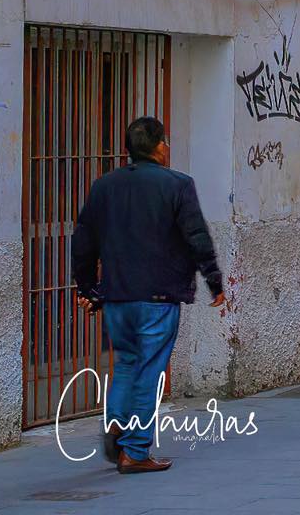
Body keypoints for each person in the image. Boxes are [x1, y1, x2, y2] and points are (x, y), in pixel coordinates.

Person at [71, 116, 224, 474]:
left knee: (127, 361)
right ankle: (136, 450)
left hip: (118, 296)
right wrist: (214, 281)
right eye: (165, 141)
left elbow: (83, 240)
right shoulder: (177, 185)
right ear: (158, 147)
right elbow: (196, 236)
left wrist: (88, 289)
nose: (167, 147)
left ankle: (116, 422)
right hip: (158, 296)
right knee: (149, 370)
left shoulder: (104, 186)